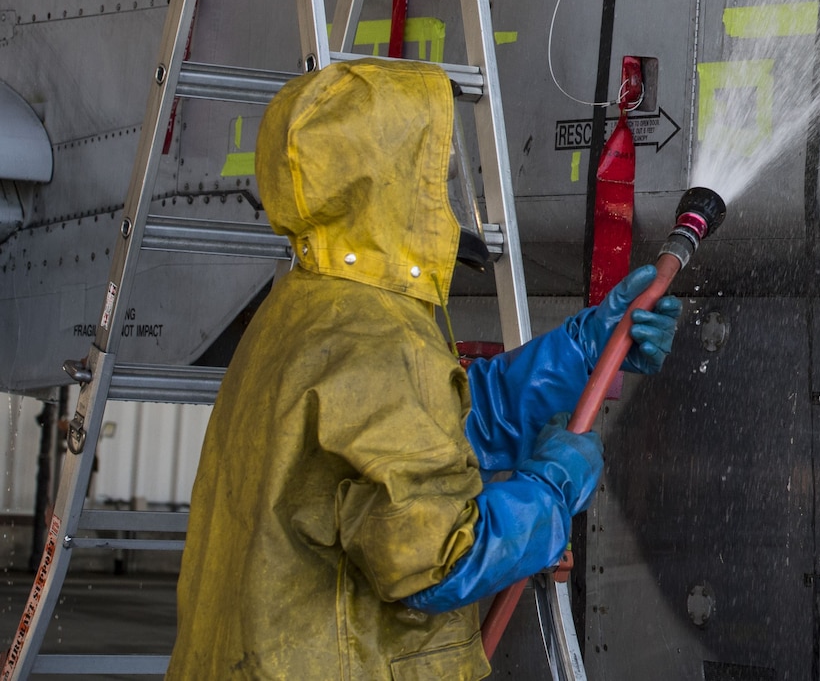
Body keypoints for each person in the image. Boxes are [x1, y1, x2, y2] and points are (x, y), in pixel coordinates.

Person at [167, 59, 680, 680]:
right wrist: (550, 492)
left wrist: (584, 349)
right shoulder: (376, 340)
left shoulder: (312, 308)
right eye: (430, 171)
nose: (446, 195)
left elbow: (436, 424)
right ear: (382, 184)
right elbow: (440, 561)